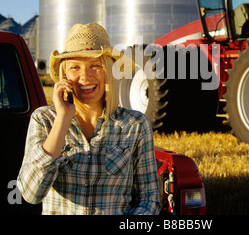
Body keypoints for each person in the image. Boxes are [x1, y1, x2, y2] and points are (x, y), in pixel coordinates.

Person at [17, 23, 161, 215]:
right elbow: (31, 193)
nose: (85, 76)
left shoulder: (135, 125)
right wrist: (62, 119)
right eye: (75, 67)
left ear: (109, 71)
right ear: (65, 74)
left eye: (95, 66)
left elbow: (149, 198)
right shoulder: (44, 120)